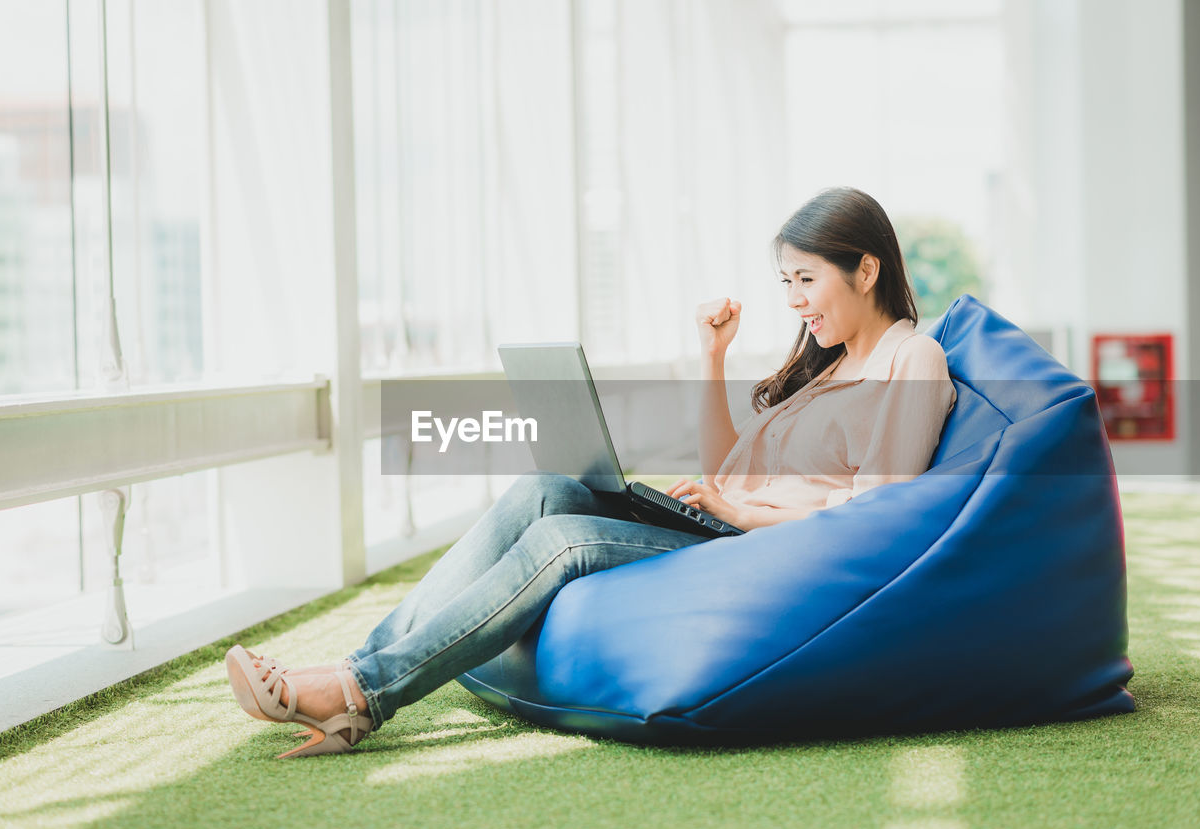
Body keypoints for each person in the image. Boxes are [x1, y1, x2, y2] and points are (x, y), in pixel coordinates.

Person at [224, 186, 957, 757]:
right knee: (544, 488)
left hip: (762, 553)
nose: (795, 302)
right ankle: (357, 665)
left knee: (564, 539)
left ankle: (359, 693)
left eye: (807, 279)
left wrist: (739, 516)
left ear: (867, 269)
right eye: (785, 282)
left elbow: (876, 520)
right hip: (724, 526)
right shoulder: (826, 367)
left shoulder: (909, 360)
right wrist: (712, 360)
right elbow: (727, 467)